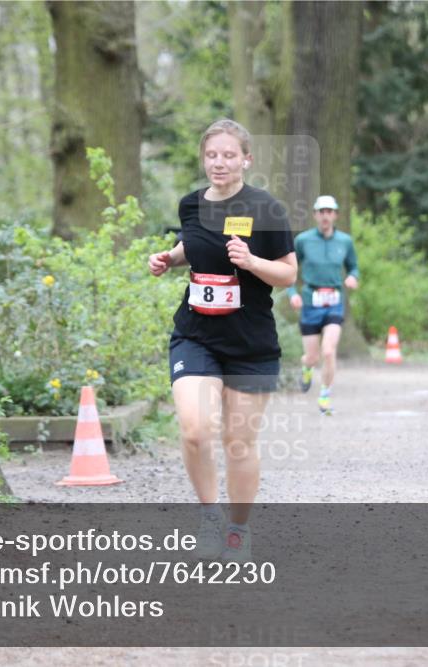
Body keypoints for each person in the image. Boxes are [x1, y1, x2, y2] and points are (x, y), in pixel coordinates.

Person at [148, 119, 297, 562]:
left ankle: (237, 530)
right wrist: (168, 259)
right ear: (203, 158)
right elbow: (193, 247)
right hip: (196, 334)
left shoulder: (265, 208)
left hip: (251, 343)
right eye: (212, 155)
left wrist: (251, 261)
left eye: (229, 155)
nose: (220, 162)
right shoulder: (190, 205)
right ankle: (210, 515)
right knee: (195, 430)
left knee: (238, 442)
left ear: (246, 159)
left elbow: (289, 273)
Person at [287, 195, 360, 415]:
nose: (325, 215)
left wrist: (353, 277)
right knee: (312, 356)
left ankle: (325, 396)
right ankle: (307, 368)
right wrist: (292, 293)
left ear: (335, 215)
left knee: (328, 351)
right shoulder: (303, 240)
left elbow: (354, 267)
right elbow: (290, 268)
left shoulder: (345, 241)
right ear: (315, 215)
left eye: (330, 211)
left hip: (334, 303)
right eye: (322, 211)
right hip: (310, 302)